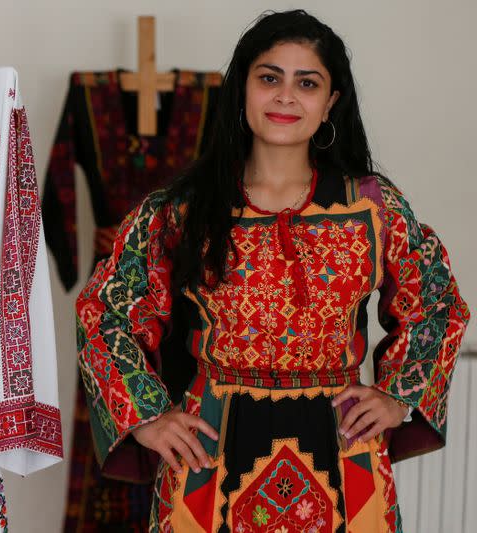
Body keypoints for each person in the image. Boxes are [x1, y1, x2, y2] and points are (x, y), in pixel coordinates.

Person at [75, 9, 470, 532]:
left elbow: (435, 304)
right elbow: (106, 309)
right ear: (242, 89)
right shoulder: (182, 209)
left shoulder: (374, 207)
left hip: (343, 454)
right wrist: (146, 414)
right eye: (269, 78)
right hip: (209, 456)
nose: (286, 96)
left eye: (307, 83)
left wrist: (400, 396)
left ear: (330, 103)